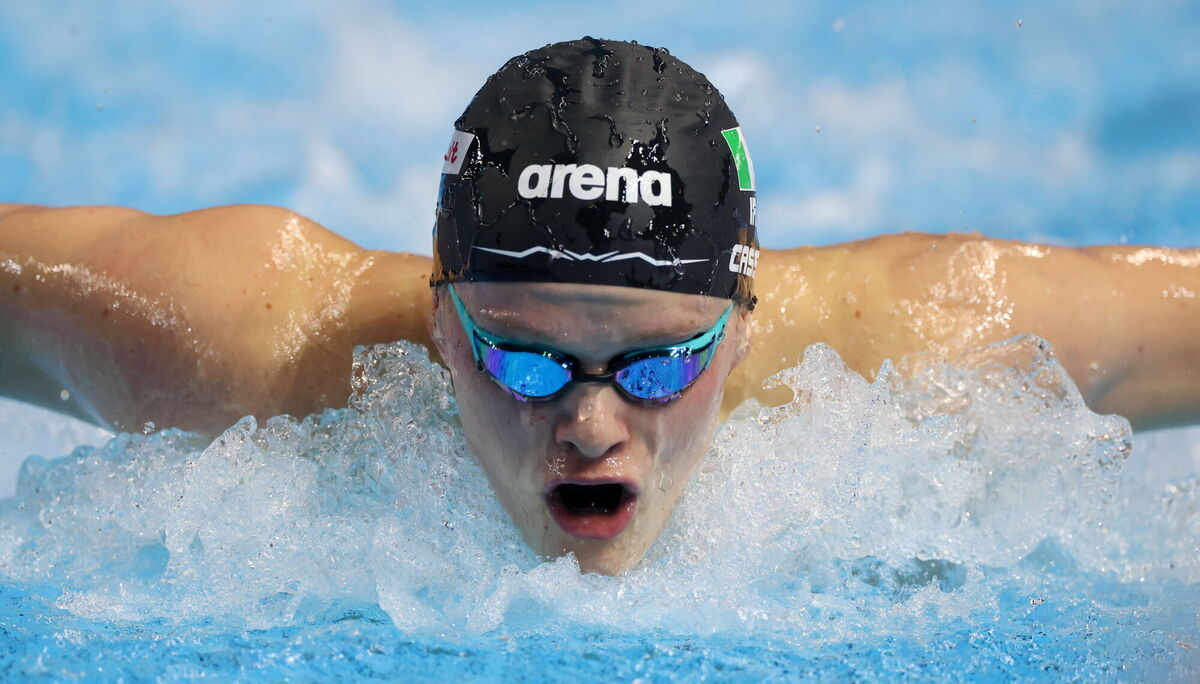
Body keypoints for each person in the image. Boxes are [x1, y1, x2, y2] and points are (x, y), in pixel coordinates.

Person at [0, 38, 1197, 574]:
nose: (586, 424)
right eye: (522, 359)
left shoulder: (944, 346)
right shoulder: (249, 342)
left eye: (658, 368)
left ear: (748, 316)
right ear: (436, 310)